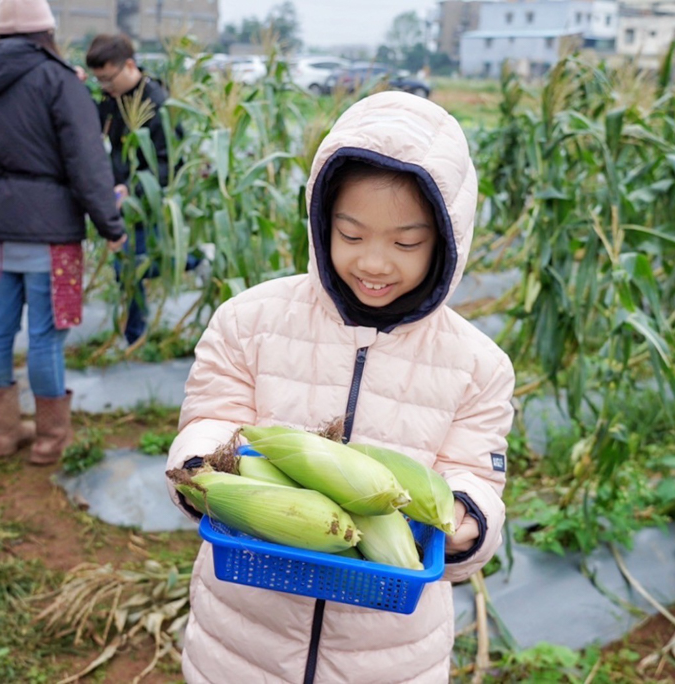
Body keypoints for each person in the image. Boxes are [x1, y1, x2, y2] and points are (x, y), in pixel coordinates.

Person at [165, 91, 515, 683]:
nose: (374, 263)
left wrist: (466, 519)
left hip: (389, 653)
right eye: (351, 235)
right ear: (322, 222)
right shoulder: (248, 320)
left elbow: (472, 472)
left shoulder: (478, 365)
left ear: (446, 242)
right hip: (245, 637)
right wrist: (205, 466)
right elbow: (212, 414)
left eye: (406, 243)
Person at [0, 0, 126, 464]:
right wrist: (110, 223)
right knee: (46, 335)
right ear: (46, 30)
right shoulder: (59, 82)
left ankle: (3, 435)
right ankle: (50, 438)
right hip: (51, 236)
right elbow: (88, 163)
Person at [85, 33, 196, 345]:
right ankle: (135, 332)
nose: (104, 86)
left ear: (130, 65)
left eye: (108, 78)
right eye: (99, 80)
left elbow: (168, 162)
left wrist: (132, 188)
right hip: (122, 196)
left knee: (134, 263)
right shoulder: (112, 97)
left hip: (148, 197)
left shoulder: (158, 103)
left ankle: (195, 261)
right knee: (128, 266)